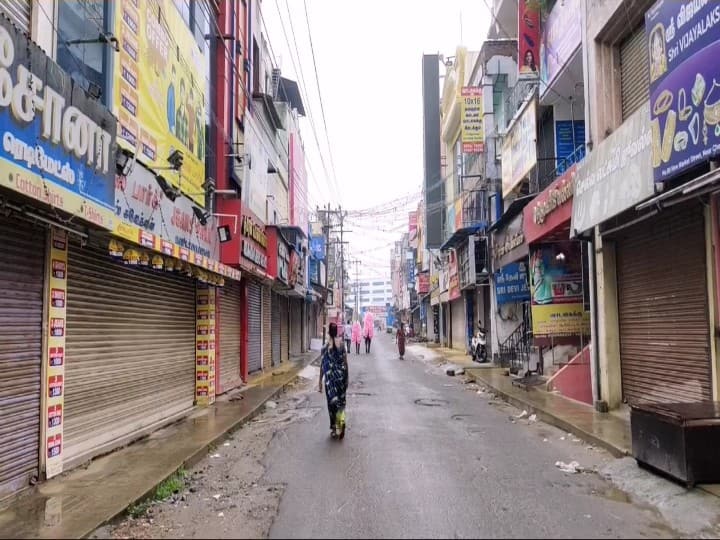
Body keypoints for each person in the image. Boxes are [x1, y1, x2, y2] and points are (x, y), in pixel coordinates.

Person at [318, 323, 348, 439]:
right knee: (341, 403)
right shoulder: (342, 344)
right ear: (336, 332)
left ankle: (335, 429)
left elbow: (323, 365)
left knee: (332, 405)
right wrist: (347, 379)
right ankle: (341, 424)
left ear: (329, 332)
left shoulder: (324, 347)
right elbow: (346, 363)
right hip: (341, 379)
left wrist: (320, 381)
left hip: (330, 382)